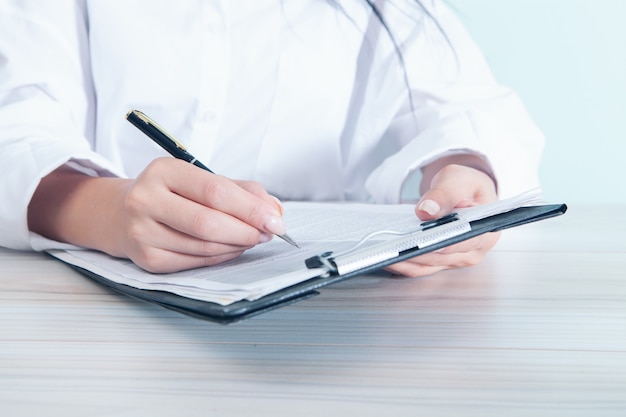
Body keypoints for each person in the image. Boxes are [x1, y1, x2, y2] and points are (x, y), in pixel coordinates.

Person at [0, 0, 543, 277]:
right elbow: (14, 128)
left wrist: (464, 171)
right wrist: (106, 211)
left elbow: (468, 111)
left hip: (351, 315)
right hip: (98, 317)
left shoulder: (386, 14)